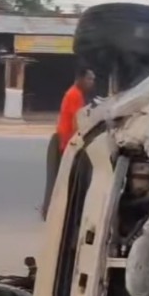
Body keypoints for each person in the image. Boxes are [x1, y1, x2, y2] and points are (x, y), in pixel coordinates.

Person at [41, 67, 96, 219]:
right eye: (89, 79)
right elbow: (77, 123)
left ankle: (52, 212)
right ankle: (50, 213)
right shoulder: (74, 95)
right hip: (63, 144)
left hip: (65, 142)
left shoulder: (77, 94)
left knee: (60, 181)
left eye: (92, 79)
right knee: (59, 182)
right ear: (80, 79)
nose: (92, 82)